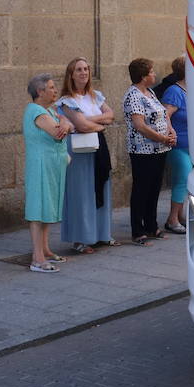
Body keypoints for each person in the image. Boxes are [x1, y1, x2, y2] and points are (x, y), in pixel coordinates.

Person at [56, 57, 116, 254]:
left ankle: (101, 234)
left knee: (100, 187)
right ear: (71, 75)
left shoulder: (95, 95)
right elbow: (80, 126)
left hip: (98, 146)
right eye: (79, 69)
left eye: (86, 69)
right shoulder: (67, 101)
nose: (83, 72)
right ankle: (81, 238)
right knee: (81, 193)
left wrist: (89, 120)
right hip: (79, 151)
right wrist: (98, 125)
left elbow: (111, 115)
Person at [123, 57, 175, 245]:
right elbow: (140, 125)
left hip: (159, 149)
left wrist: (171, 131)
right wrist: (162, 138)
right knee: (141, 189)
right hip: (142, 151)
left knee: (154, 188)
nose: (154, 74)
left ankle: (152, 226)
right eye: (151, 72)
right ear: (143, 76)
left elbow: (162, 114)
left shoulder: (150, 92)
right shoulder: (133, 95)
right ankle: (138, 230)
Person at [23, 73, 71, 272]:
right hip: (40, 165)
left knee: (48, 207)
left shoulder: (49, 111)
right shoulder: (35, 110)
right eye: (51, 87)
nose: (55, 90)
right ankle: (37, 258)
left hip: (51, 165)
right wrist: (66, 122)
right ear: (40, 91)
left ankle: (45, 249)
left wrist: (64, 121)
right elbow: (58, 132)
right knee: (38, 208)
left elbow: (63, 127)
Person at [161, 56, 190, 234]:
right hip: (178, 146)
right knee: (182, 180)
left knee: (187, 182)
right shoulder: (175, 91)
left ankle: (180, 216)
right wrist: (170, 131)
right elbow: (164, 114)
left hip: (193, 146)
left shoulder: (192, 89)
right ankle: (172, 219)